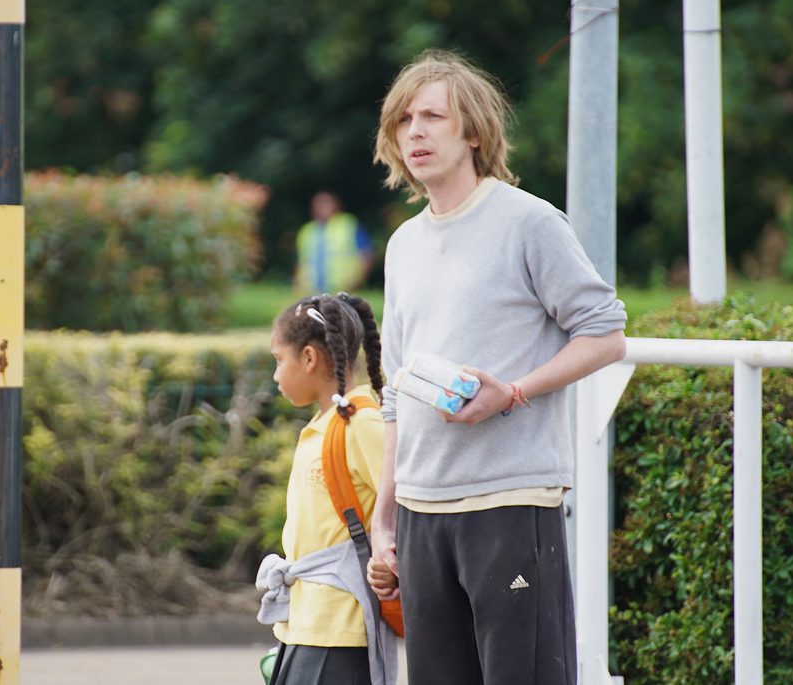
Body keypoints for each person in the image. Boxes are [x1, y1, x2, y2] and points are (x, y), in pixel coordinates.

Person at [365, 49, 628, 685]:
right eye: (404, 120)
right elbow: (396, 390)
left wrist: (511, 392)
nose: (415, 132)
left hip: (511, 499)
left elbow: (606, 334)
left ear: (474, 132)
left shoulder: (529, 222)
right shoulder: (403, 245)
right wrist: (384, 515)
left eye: (433, 117)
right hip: (423, 511)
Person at [256, 292, 397, 685]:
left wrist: (391, 565)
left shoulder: (361, 423)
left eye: (279, 360)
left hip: (340, 627)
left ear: (308, 358)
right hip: (304, 624)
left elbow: (404, 507)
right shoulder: (327, 424)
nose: (276, 374)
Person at [294, 192, 374, 293]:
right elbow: (301, 262)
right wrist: (297, 286)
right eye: (320, 203)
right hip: (310, 291)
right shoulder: (307, 230)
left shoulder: (348, 224)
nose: (323, 207)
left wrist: (356, 281)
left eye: (327, 203)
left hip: (343, 290)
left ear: (337, 205)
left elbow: (366, 254)